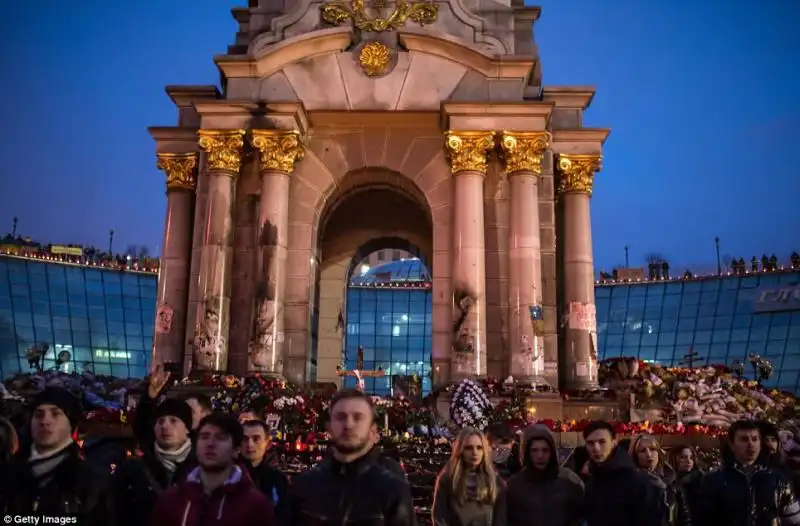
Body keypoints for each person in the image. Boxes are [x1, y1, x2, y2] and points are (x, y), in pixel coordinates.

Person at [283, 389, 415, 525]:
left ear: (372, 430)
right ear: (329, 427)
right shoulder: (304, 487)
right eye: (341, 417)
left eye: (358, 417)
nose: (348, 425)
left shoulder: (393, 492)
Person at [1, 387, 107, 524]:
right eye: (38, 415)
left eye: (55, 414)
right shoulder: (8, 474)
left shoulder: (90, 481)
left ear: (71, 424)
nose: (45, 421)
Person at [149, 413, 275, 526]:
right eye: (204, 436)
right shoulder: (172, 499)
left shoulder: (255, 505)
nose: (210, 444)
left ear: (236, 449)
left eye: (221, 438)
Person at [111, 397, 196, 526]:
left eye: (174, 421)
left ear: (187, 428)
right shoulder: (132, 469)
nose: (165, 426)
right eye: (160, 421)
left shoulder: (203, 468)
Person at [698, 419, 800, 526]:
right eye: (744, 439)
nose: (750, 444)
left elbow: (793, 520)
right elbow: (703, 519)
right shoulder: (714, 480)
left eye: (755, 439)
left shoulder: (779, 479)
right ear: (732, 444)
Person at [581, 420, 666, 526]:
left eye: (602, 442)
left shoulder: (635, 480)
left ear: (613, 443)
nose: (596, 448)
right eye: (590, 443)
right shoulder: (592, 480)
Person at [506, 423, 584, 526]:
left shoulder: (570, 481)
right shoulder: (514, 485)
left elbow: (580, 518)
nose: (540, 455)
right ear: (527, 453)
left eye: (545, 450)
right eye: (534, 450)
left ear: (552, 451)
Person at [432, 427, 507, 526]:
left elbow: (501, 519)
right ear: (460, 450)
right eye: (469, 448)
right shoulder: (447, 479)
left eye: (479, 448)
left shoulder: (495, 481)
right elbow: (440, 518)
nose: (475, 453)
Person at [240, 420, 289, 516]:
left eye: (256, 439)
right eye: (245, 439)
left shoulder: (278, 479)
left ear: (268, 444)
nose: (250, 444)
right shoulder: (229, 476)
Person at [629, 434, 677, 525]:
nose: (648, 454)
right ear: (635, 456)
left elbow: (683, 514)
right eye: (642, 451)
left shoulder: (671, 476)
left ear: (658, 452)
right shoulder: (632, 482)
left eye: (652, 449)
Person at [669, 444, 703, 526]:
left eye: (691, 457)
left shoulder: (701, 480)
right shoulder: (670, 482)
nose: (688, 461)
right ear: (675, 459)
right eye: (683, 457)